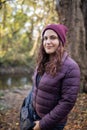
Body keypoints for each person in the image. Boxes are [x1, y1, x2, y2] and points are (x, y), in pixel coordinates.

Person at [30, 24, 80, 130]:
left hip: (52, 123)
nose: (48, 42)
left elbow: (67, 102)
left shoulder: (71, 67)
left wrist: (43, 124)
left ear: (61, 41)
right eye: (45, 38)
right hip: (35, 116)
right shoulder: (42, 62)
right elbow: (36, 88)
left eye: (53, 37)